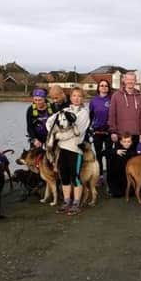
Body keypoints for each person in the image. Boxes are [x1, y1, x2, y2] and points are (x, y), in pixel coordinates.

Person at [47, 87, 90, 216]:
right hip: (62, 149)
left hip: (75, 149)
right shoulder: (64, 110)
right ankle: (67, 201)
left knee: (75, 176)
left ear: (82, 98)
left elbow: (77, 132)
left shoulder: (84, 113)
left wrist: (59, 136)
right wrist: (53, 132)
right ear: (70, 97)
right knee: (64, 176)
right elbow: (50, 122)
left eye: (79, 96)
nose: (76, 98)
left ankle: (76, 203)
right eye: (74, 96)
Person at [108, 72, 141, 150]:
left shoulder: (140, 97)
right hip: (120, 135)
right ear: (124, 80)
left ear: (135, 81)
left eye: (132, 79)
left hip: (136, 135)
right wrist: (113, 132)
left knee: (134, 161)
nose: (130, 82)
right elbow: (112, 115)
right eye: (128, 79)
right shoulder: (116, 95)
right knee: (121, 161)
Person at [89, 79, 112, 184]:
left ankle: (110, 176)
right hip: (97, 132)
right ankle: (100, 176)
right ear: (98, 88)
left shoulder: (112, 99)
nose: (103, 87)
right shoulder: (93, 101)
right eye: (101, 85)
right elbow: (90, 116)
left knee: (108, 154)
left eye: (106, 86)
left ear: (108, 88)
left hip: (109, 131)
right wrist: (90, 129)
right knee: (98, 154)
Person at [105, 132, 137, 197]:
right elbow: (104, 152)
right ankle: (112, 189)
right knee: (117, 194)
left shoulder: (133, 151)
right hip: (116, 177)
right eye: (124, 141)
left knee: (130, 193)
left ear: (131, 142)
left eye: (128, 142)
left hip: (127, 177)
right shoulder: (117, 149)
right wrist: (115, 151)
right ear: (121, 142)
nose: (126, 143)